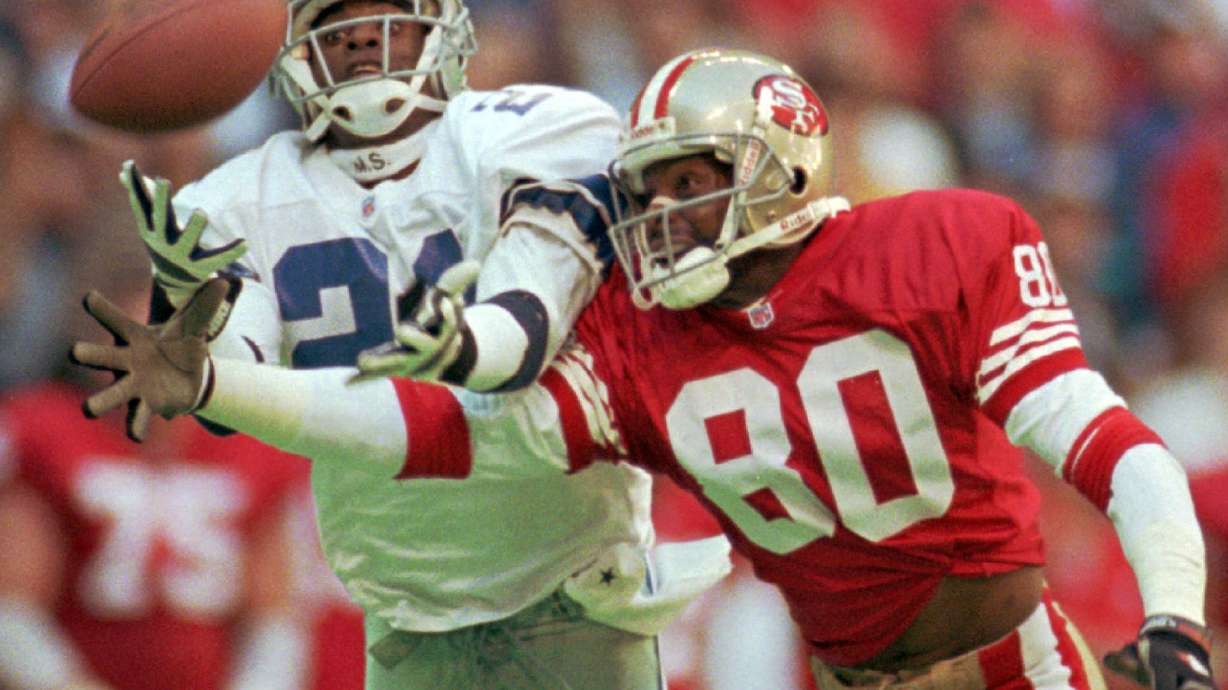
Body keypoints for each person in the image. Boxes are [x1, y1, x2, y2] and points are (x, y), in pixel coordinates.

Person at [71, 48, 1217, 690]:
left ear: (778, 167)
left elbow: (1107, 444)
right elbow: (437, 433)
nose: (659, 214)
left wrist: (1172, 616)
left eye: (689, 182)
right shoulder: (630, 334)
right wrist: (221, 384)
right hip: (851, 677)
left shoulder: (938, 244)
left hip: (1012, 657)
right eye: (647, 189)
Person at [105, 1, 714, 688]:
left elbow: (523, 330)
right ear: (296, 50)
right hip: (404, 611)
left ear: (442, 29)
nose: (363, 35)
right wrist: (202, 330)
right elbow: (230, 384)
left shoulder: (534, 129)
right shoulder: (230, 199)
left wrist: (468, 345)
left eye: (388, 16)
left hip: (569, 590)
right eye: (336, 23)